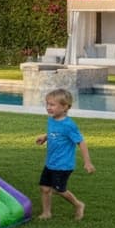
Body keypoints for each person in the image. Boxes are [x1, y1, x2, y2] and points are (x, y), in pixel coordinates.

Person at [35, 88, 93, 220]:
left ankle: (78, 204)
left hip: (63, 165)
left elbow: (81, 142)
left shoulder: (69, 125)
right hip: (50, 162)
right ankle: (46, 213)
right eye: (47, 104)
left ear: (65, 107)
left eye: (52, 105)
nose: (48, 107)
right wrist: (45, 137)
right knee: (44, 188)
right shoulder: (52, 119)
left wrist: (87, 162)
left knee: (58, 190)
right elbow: (54, 132)